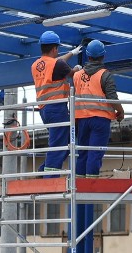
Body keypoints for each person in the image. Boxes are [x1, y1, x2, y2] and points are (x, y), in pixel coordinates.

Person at [31, 30, 82, 176]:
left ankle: (43, 171)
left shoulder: (35, 65)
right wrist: (78, 69)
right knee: (59, 144)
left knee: (66, 143)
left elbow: (58, 62)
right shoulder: (57, 64)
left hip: (44, 110)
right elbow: (72, 73)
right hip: (57, 108)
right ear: (55, 48)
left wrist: (72, 53)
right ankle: (50, 177)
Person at [73, 40, 125, 178]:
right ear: (103, 56)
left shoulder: (77, 75)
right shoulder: (105, 75)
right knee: (95, 153)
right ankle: (90, 188)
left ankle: (79, 189)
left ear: (88, 56)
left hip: (81, 120)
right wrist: (121, 111)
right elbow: (112, 98)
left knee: (83, 153)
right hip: (100, 120)